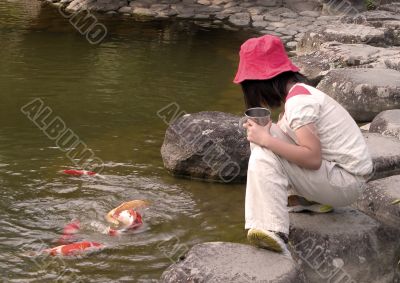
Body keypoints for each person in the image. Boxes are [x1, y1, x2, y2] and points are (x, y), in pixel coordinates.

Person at [233, 35, 373, 256]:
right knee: (263, 137)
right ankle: (310, 199)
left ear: (260, 83)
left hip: (346, 181)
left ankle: (273, 228)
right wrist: (266, 135)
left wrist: (266, 139)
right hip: (341, 175)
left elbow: (312, 158)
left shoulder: (298, 103)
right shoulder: (299, 93)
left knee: (262, 151)